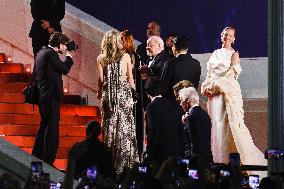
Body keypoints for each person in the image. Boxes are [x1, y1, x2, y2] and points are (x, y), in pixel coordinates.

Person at [201, 27, 267, 167]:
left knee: (228, 127)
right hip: (214, 98)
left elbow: (231, 76)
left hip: (227, 94)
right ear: (221, 36)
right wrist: (206, 86)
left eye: (230, 35)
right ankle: (217, 161)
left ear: (234, 38)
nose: (227, 37)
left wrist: (212, 87)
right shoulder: (214, 54)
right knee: (215, 127)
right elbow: (209, 74)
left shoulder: (234, 55)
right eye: (225, 35)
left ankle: (229, 162)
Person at [97, 30, 139, 173]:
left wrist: (100, 92)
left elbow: (102, 81)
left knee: (109, 127)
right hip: (123, 93)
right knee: (125, 128)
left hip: (108, 94)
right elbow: (130, 80)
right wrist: (134, 94)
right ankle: (124, 165)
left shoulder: (101, 58)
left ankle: (109, 163)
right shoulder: (125, 55)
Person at [32, 32, 74, 165]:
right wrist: (69, 56)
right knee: (51, 129)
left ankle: (36, 155)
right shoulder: (51, 54)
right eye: (64, 45)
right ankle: (48, 160)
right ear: (59, 44)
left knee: (44, 126)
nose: (65, 47)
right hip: (51, 97)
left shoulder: (41, 52)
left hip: (44, 95)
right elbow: (64, 69)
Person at [144, 78, 184, 164]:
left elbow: (153, 131)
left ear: (147, 92)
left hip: (161, 155)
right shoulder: (174, 105)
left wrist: (149, 152)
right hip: (176, 152)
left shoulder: (151, 107)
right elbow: (181, 130)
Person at [120, 30, 144, 157]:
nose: (120, 41)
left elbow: (130, 74)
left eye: (122, 38)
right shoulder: (121, 55)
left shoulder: (131, 55)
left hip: (130, 92)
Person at [178, 87, 213, 168]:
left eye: (181, 100)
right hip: (206, 159)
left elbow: (194, 143)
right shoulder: (205, 114)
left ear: (187, 101)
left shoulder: (191, 116)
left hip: (196, 163)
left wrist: (191, 165)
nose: (180, 104)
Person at [162, 35, 201, 101]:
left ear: (174, 47)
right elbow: (195, 86)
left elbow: (163, 86)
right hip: (189, 103)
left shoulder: (170, 63)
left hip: (172, 103)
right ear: (187, 48)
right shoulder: (196, 63)